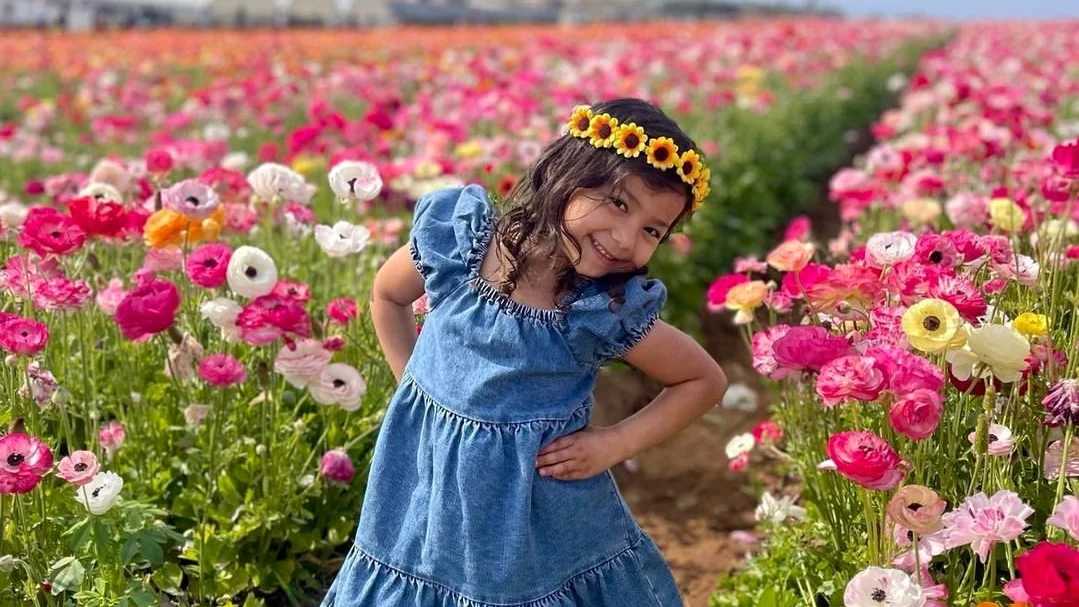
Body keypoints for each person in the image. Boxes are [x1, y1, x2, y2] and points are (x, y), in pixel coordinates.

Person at [321, 98, 728, 606]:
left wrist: (614, 444)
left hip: (535, 525)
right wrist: (417, 392)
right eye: (618, 203)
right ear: (565, 172)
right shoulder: (463, 245)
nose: (626, 239)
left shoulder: (597, 310)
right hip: (423, 498)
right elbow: (387, 295)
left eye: (652, 231)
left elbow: (702, 380)